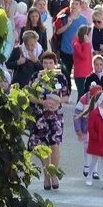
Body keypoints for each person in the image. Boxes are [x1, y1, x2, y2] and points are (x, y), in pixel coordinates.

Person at [29, 51, 70, 190]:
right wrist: (42, 102)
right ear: (42, 63)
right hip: (40, 115)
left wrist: (57, 102)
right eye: (45, 63)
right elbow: (30, 96)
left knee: (54, 145)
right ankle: (47, 175)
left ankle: (54, 174)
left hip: (56, 115)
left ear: (55, 64)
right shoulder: (36, 77)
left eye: (50, 63)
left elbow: (66, 97)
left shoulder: (60, 77)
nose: (48, 65)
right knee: (43, 146)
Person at [86, 90, 103, 190]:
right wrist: (95, 137)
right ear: (101, 101)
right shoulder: (94, 113)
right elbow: (90, 127)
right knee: (94, 160)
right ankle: (89, 175)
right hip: (97, 141)